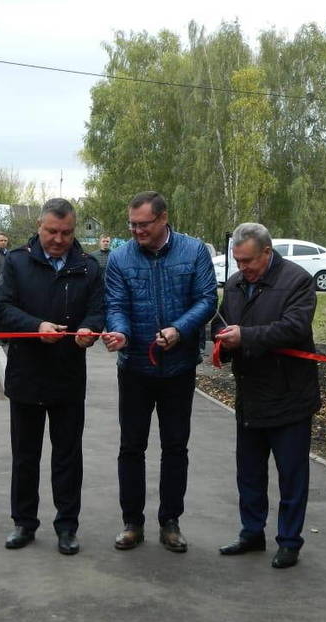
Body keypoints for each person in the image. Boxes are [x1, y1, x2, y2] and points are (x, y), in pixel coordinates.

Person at [102, 191, 217, 552]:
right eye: (132, 224)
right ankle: (132, 522)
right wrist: (120, 331)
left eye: (144, 224)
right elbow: (117, 303)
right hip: (134, 367)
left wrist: (179, 330)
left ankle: (170, 521)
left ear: (164, 218)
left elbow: (207, 299)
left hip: (179, 369)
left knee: (175, 446)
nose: (137, 231)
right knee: (131, 447)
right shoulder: (120, 258)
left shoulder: (194, 251)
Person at [0, 199, 104, 555]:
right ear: (40, 226)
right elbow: (3, 311)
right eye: (52, 231)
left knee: (67, 458)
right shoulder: (17, 261)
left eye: (67, 232)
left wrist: (89, 328)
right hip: (27, 374)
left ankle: (67, 526)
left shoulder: (87, 268)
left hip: (68, 376)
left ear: (75, 230)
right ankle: (24, 523)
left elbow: (98, 309)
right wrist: (35, 326)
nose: (59, 239)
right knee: (25, 456)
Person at [211, 223, 321, 569]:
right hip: (250, 394)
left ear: (267, 253)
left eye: (248, 261)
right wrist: (222, 342)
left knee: (291, 475)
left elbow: (295, 328)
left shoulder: (297, 281)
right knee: (249, 473)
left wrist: (245, 337)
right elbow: (223, 322)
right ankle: (251, 532)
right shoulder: (235, 284)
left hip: (290, 395)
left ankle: (289, 541)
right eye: (238, 261)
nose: (242, 268)